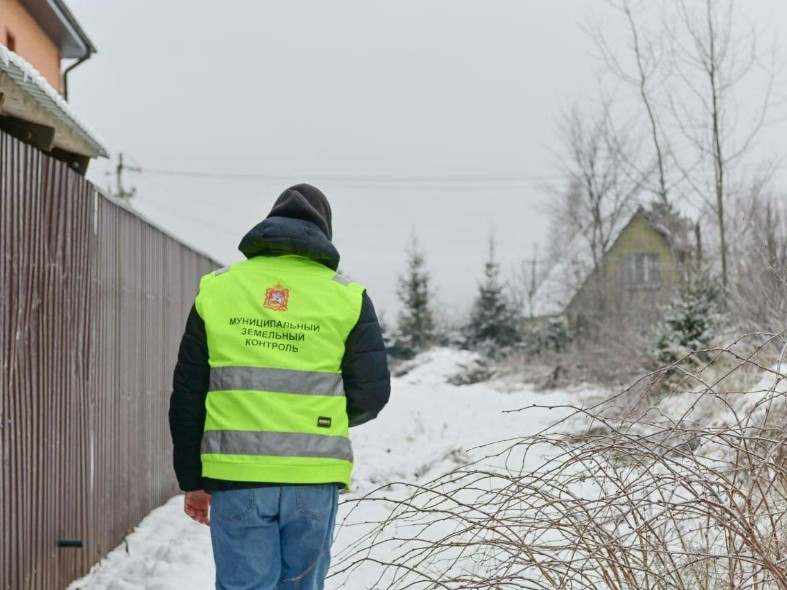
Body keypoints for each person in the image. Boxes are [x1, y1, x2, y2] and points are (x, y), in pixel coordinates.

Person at [169, 184, 391, 590]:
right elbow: (371, 395)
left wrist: (192, 480)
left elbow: (188, 394)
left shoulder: (218, 289)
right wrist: (315, 424)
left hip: (236, 477)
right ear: (324, 231)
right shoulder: (347, 298)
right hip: (313, 476)